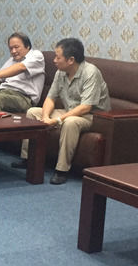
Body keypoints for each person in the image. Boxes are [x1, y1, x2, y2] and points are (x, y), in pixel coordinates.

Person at [12, 37, 110, 185]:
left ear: (71, 60)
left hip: (93, 116)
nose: (54, 60)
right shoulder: (61, 72)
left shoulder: (90, 72)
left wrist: (58, 120)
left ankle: (61, 170)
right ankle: (29, 159)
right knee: (33, 112)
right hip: (70, 110)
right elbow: (50, 98)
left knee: (70, 122)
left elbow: (86, 107)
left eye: (58, 57)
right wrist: (45, 117)